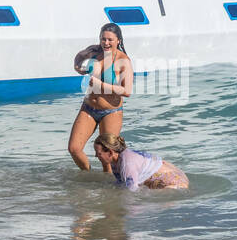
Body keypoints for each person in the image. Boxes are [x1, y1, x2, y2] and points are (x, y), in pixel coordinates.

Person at [68, 24, 133, 172]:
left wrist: (101, 85)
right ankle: (88, 175)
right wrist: (78, 66)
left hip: (111, 112)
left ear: (118, 41)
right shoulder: (94, 51)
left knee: (106, 159)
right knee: (74, 148)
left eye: (110, 39)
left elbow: (127, 90)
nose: (106, 43)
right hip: (89, 108)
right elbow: (79, 59)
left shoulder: (123, 61)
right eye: (103, 39)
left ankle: (108, 189)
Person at [93, 133, 189, 191]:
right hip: (172, 175)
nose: (96, 156)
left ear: (110, 152)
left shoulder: (127, 164)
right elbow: (121, 183)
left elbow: (132, 193)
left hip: (174, 181)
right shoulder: (117, 159)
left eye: (98, 153)